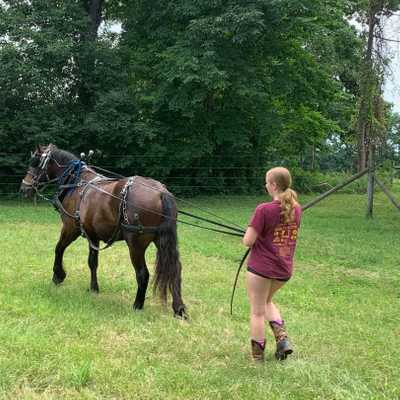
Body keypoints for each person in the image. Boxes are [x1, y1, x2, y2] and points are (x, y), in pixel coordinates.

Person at [242, 167, 301, 362]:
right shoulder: (296, 208)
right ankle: (282, 340)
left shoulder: (263, 209)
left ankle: (257, 358)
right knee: (267, 302)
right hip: (283, 269)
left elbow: (248, 241)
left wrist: (252, 232)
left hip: (261, 269)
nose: (265, 185)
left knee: (257, 311)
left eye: (267, 182)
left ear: (274, 185)